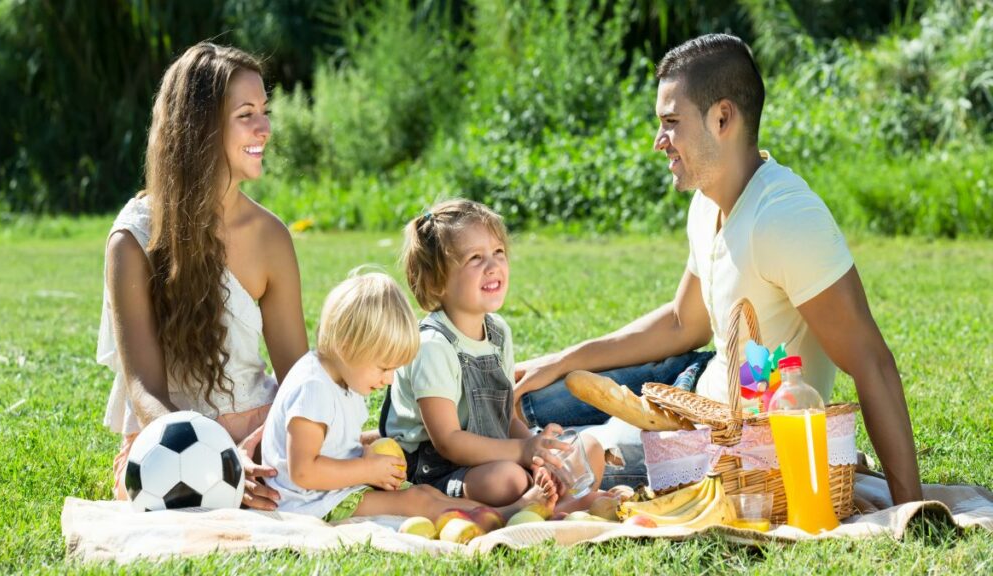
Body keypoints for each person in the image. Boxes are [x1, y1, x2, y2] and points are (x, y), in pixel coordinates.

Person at [513, 34, 923, 505]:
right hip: (689, 386)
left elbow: (872, 361)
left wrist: (910, 508)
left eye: (671, 122)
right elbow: (682, 323)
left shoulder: (786, 219)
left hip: (728, 446)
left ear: (722, 118)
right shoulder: (707, 203)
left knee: (536, 463)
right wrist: (563, 360)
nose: (658, 141)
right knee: (519, 401)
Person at [97, 42, 308, 509]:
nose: (265, 128)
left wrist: (264, 449)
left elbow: (297, 379)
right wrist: (215, 460)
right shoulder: (133, 239)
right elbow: (144, 390)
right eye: (246, 114)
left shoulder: (271, 237)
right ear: (200, 127)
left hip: (261, 433)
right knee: (180, 497)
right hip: (168, 441)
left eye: (264, 111)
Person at [260, 272, 556, 521]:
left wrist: (368, 459)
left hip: (329, 492)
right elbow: (303, 471)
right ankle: (508, 515)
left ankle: (504, 511)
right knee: (416, 502)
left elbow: (329, 448)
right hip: (310, 503)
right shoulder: (314, 388)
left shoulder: (339, 377)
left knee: (427, 493)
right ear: (347, 345)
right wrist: (367, 469)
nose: (389, 379)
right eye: (384, 367)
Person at [380, 199, 605, 511]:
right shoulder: (432, 345)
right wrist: (522, 452)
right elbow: (448, 441)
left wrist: (537, 452)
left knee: (590, 448)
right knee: (508, 481)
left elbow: (506, 418)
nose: (493, 266)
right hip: (440, 471)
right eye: (475, 258)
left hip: (498, 453)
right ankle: (553, 505)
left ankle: (548, 501)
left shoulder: (497, 332)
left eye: (498, 252)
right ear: (437, 281)